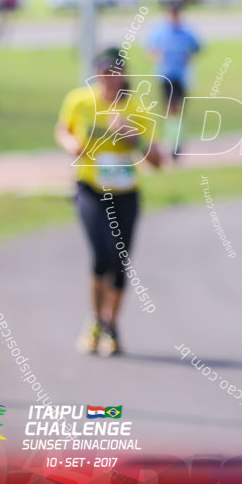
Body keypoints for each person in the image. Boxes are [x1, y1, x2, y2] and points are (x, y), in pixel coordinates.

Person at [55, 48, 163, 355]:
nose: (109, 80)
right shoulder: (80, 101)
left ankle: (110, 326)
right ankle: (96, 320)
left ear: (124, 75)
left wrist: (133, 137)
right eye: (103, 72)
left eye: (115, 73)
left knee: (119, 261)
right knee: (100, 256)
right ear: (96, 73)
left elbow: (157, 161)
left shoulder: (137, 108)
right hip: (90, 188)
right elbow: (63, 129)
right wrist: (70, 143)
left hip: (126, 193)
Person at [147, 2, 202, 155]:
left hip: (181, 75)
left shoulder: (186, 32)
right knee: (170, 108)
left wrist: (187, 58)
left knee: (179, 108)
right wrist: (158, 56)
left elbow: (197, 48)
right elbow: (151, 50)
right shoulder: (161, 32)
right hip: (165, 75)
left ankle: (178, 139)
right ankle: (172, 139)